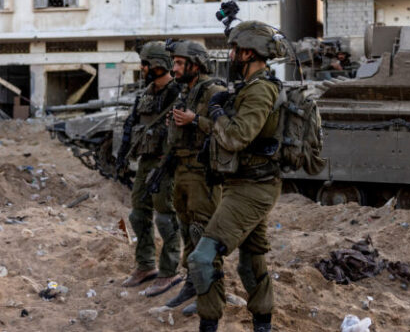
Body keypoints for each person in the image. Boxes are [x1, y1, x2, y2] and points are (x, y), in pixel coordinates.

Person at [188, 21, 285, 332]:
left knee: (202, 258)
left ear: (247, 52)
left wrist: (217, 115)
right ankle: (263, 324)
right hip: (244, 183)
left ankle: (208, 324)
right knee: (251, 260)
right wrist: (212, 116)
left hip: (252, 188)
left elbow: (236, 137)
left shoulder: (260, 90)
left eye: (233, 50)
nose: (230, 55)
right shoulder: (250, 87)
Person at [163, 40, 227, 314]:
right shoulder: (186, 92)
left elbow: (229, 128)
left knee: (203, 231)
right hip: (183, 169)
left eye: (179, 63)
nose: (174, 68)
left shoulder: (215, 91)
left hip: (204, 173)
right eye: (174, 62)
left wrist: (194, 121)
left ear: (195, 64)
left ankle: (211, 293)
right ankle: (192, 282)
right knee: (187, 228)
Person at [118, 41, 182, 297]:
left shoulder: (178, 93)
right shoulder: (145, 93)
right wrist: (122, 157)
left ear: (158, 65)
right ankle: (145, 265)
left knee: (166, 217)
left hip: (167, 161)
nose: (142, 68)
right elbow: (130, 125)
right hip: (146, 160)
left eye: (146, 64)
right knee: (138, 214)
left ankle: (169, 271)